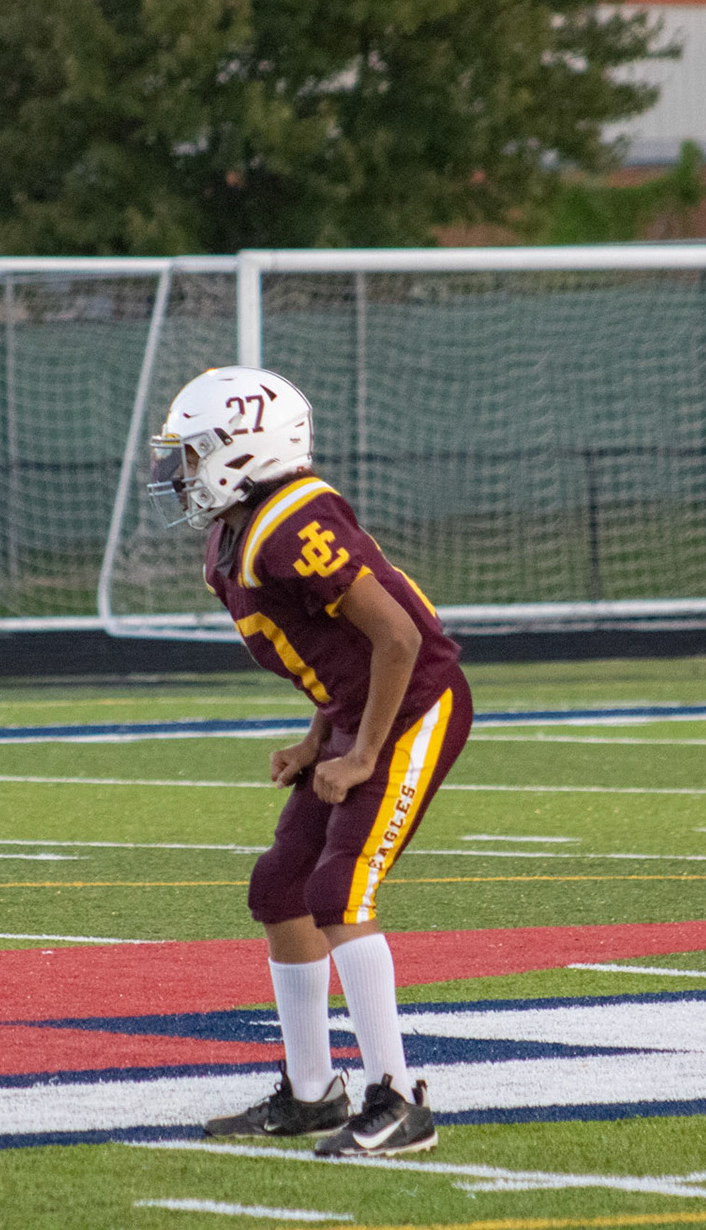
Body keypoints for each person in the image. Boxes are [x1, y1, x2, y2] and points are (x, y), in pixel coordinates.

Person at [147, 365, 472, 1157]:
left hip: (416, 705)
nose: (182, 471)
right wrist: (317, 736)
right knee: (280, 888)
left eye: (193, 452)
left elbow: (397, 639)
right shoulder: (239, 537)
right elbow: (337, 655)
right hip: (361, 710)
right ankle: (310, 1094)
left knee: (338, 888)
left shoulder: (293, 523)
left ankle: (399, 1100)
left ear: (244, 449)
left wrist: (362, 754)